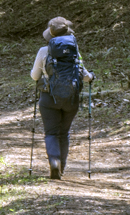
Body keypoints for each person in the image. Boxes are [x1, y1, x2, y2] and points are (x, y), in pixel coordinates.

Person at [31, 16, 93, 179]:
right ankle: (62, 168)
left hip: (48, 98)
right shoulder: (74, 50)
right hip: (71, 99)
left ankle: (54, 162)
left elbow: (34, 76)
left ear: (50, 34)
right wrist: (91, 77)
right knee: (63, 133)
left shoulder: (44, 51)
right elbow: (84, 75)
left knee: (51, 133)